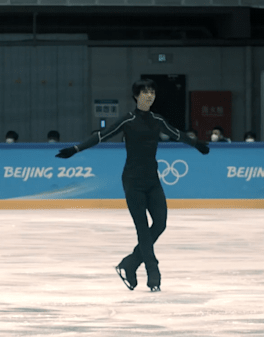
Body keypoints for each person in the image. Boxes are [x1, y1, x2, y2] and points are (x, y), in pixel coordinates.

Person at [55, 78, 210, 292]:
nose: (149, 95)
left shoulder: (157, 119)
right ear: (136, 96)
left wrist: (197, 144)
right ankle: (153, 272)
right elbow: (101, 136)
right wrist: (76, 149)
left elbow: (176, 134)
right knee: (142, 230)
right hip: (132, 181)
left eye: (152, 92)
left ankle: (130, 263)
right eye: (145, 92)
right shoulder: (127, 120)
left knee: (160, 224)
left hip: (152, 181)